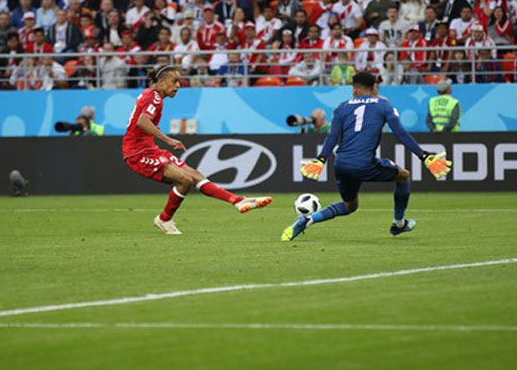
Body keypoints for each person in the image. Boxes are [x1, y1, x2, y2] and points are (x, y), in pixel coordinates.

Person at [281, 71, 453, 241]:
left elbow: (332, 136)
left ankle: (308, 220)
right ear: (374, 87)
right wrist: (423, 156)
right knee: (403, 176)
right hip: (364, 163)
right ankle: (399, 224)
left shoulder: (341, 107)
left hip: (341, 164)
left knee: (350, 205)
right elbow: (400, 133)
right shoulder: (384, 105)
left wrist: (321, 159)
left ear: (354, 90)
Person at [122, 64, 273, 235]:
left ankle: (237, 201)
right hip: (137, 152)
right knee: (185, 180)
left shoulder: (153, 96)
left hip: (149, 148)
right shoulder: (154, 98)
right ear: (162, 82)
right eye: (174, 81)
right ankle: (164, 219)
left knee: (195, 175)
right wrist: (168, 139)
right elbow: (142, 122)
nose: (178, 85)